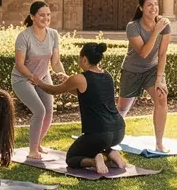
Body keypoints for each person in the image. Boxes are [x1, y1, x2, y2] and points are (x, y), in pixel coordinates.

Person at [34, 43, 127, 174]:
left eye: (80, 58)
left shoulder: (79, 78)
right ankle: (111, 153)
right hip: (119, 131)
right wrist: (69, 81)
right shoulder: (107, 76)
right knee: (96, 145)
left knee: (71, 158)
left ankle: (95, 161)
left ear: (84, 59)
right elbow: (87, 93)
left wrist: (38, 82)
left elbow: (54, 90)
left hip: (100, 134)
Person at [117, 0, 171, 152]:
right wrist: (155, 31)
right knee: (122, 108)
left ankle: (159, 142)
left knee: (162, 98)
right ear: (141, 8)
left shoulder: (165, 25)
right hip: (131, 70)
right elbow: (143, 52)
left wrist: (159, 79)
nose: (154, 8)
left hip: (152, 70)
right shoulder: (133, 26)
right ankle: (112, 135)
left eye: (156, 4)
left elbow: (162, 54)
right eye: (149, 5)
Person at [11, 1, 64, 161]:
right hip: (22, 79)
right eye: (41, 15)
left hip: (42, 76)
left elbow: (55, 61)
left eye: (48, 15)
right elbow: (20, 65)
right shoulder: (24, 36)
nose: (46, 18)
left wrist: (62, 73)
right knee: (39, 111)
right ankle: (32, 150)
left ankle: (38, 144)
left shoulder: (53, 34)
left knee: (48, 111)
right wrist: (33, 78)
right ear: (33, 16)